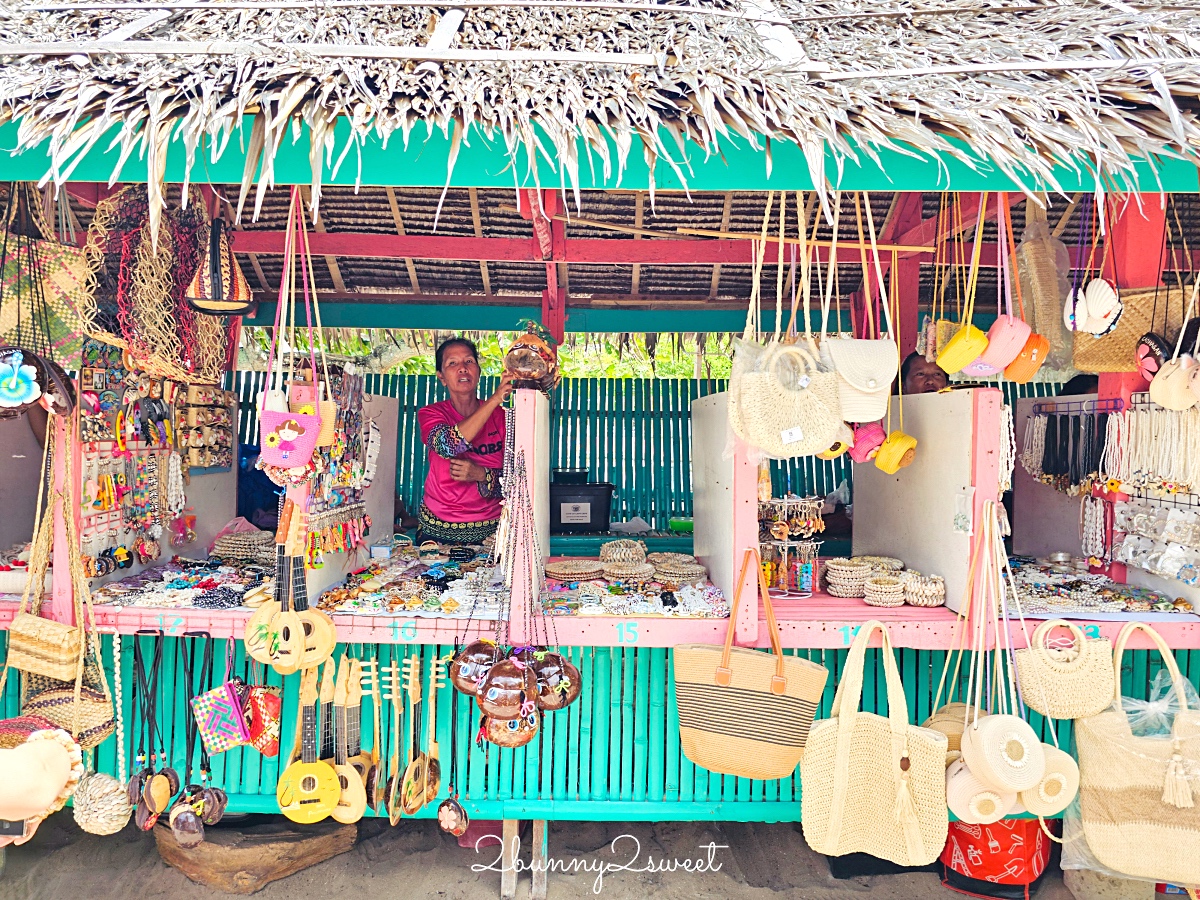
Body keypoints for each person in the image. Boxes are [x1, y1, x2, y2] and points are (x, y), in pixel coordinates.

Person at [416, 338, 513, 544]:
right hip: (438, 529)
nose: (462, 368)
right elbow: (449, 445)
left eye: (469, 361)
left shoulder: (502, 418)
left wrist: (481, 474)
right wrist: (495, 398)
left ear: (478, 371)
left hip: (492, 532)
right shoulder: (431, 413)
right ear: (441, 377)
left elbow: (517, 482)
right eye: (452, 363)